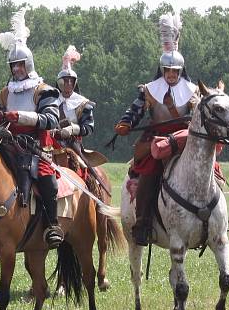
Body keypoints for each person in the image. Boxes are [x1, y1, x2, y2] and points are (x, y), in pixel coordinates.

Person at [114, 13, 197, 246]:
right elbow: (136, 109)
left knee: (210, 169)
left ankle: (216, 219)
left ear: (180, 72)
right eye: (167, 70)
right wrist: (126, 123)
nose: (171, 75)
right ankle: (141, 223)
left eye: (175, 71)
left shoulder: (192, 91)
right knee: (149, 171)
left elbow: (197, 116)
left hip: (183, 139)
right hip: (157, 139)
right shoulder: (150, 89)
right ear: (162, 70)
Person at [0, 6, 63, 248]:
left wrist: (21, 117)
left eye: (20, 65)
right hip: (7, 144)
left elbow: (51, 119)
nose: (16, 69)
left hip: (35, 147)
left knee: (47, 180)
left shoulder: (43, 91)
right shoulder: (4, 92)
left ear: (28, 64)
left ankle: (52, 224)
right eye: (13, 65)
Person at [52, 45, 95, 178]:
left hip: (73, 145)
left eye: (71, 81)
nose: (69, 84)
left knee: (85, 173)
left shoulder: (82, 103)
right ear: (59, 82)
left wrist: (72, 129)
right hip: (51, 144)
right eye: (65, 81)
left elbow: (88, 128)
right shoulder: (50, 100)